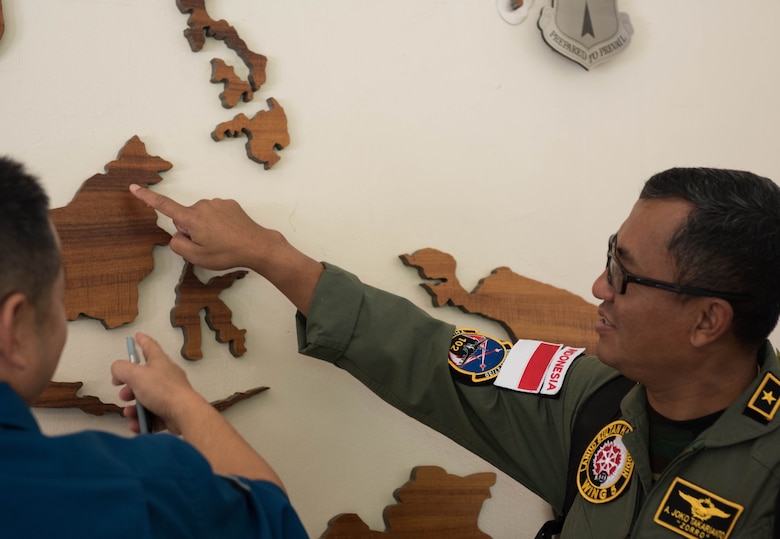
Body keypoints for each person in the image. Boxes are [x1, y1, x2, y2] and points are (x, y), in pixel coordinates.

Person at [130, 166, 780, 538]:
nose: (599, 286)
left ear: (708, 320)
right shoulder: (594, 401)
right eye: (610, 255)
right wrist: (271, 254)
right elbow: (433, 356)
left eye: (625, 274)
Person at [0, 157, 308, 539]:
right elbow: (271, 520)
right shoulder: (143, 490)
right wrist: (182, 402)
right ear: (13, 329)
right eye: (58, 299)